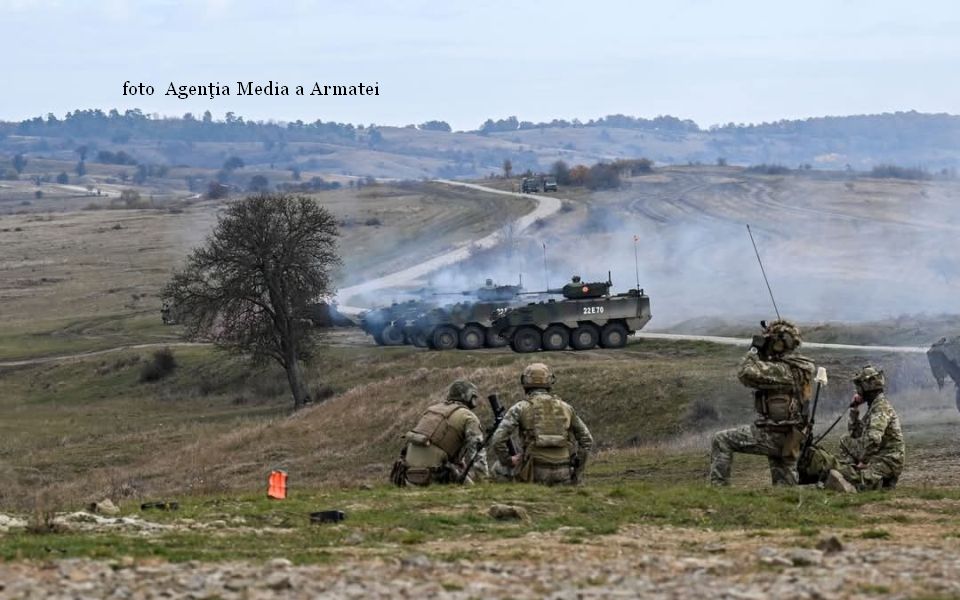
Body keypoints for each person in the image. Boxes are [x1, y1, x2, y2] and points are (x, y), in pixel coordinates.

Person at [710, 319, 816, 486]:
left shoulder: (783, 370)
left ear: (779, 344)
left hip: (774, 435)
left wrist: (754, 349)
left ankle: (717, 489)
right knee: (785, 488)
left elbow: (745, 373)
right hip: (790, 435)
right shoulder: (797, 367)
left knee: (721, 440)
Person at [490, 363, 593, 485]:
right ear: (549, 382)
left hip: (534, 471)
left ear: (525, 383)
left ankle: (514, 496)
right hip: (563, 472)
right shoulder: (566, 408)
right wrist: (577, 473)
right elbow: (587, 440)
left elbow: (497, 439)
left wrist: (508, 460)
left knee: (497, 469)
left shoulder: (520, 408)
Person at [822, 365, 905, 493]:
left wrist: (863, 462)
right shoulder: (874, 407)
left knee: (857, 482)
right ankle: (855, 474)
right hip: (878, 456)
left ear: (867, 387)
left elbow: (873, 439)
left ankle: (867, 479)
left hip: (888, 460)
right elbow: (855, 434)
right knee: (845, 440)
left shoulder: (881, 409)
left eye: (859, 386)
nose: (857, 390)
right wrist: (854, 410)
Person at [391, 379, 487, 486]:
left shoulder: (432, 410)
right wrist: (484, 482)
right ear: (469, 397)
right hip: (436, 475)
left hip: (406, 475)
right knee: (472, 488)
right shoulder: (469, 417)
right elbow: (478, 453)